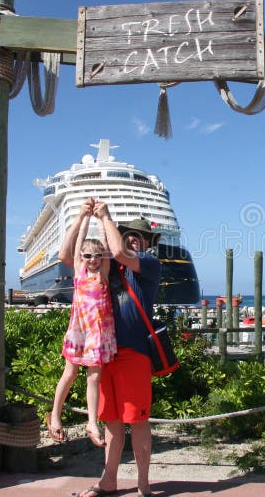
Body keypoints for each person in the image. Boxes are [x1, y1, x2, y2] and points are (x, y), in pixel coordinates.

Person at [78, 200, 161, 497]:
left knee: (137, 420)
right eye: (128, 234)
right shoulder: (110, 269)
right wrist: (86, 217)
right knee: (112, 422)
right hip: (105, 354)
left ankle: (143, 483)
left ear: (149, 242)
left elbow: (117, 252)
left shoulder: (149, 265)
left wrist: (105, 216)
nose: (133, 238)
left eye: (140, 236)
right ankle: (108, 480)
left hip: (134, 354)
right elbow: (75, 257)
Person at [47, 197, 116, 447]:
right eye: (88, 255)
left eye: (97, 256)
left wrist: (101, 218)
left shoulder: (103, 274)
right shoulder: (79, 271)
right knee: (70, 372)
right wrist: (84, 216)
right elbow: (76, 247)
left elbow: (106, 247)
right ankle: (55, 415)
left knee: (94, 377)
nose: (92, 259)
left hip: (98, 331)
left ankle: (92, 421)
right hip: (80, 330)